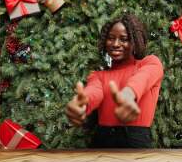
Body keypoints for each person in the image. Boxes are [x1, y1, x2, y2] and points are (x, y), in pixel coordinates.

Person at [65, 14, 164, 148]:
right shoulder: (99, 75)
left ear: (135, 41)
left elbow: (143, 79)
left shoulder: (150, 63)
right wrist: (81, 104)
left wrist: (128, 95)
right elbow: (93, 92)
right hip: (102, 142)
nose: (116, 44)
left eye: (124, 39)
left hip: (136, 142)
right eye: (111, 38)